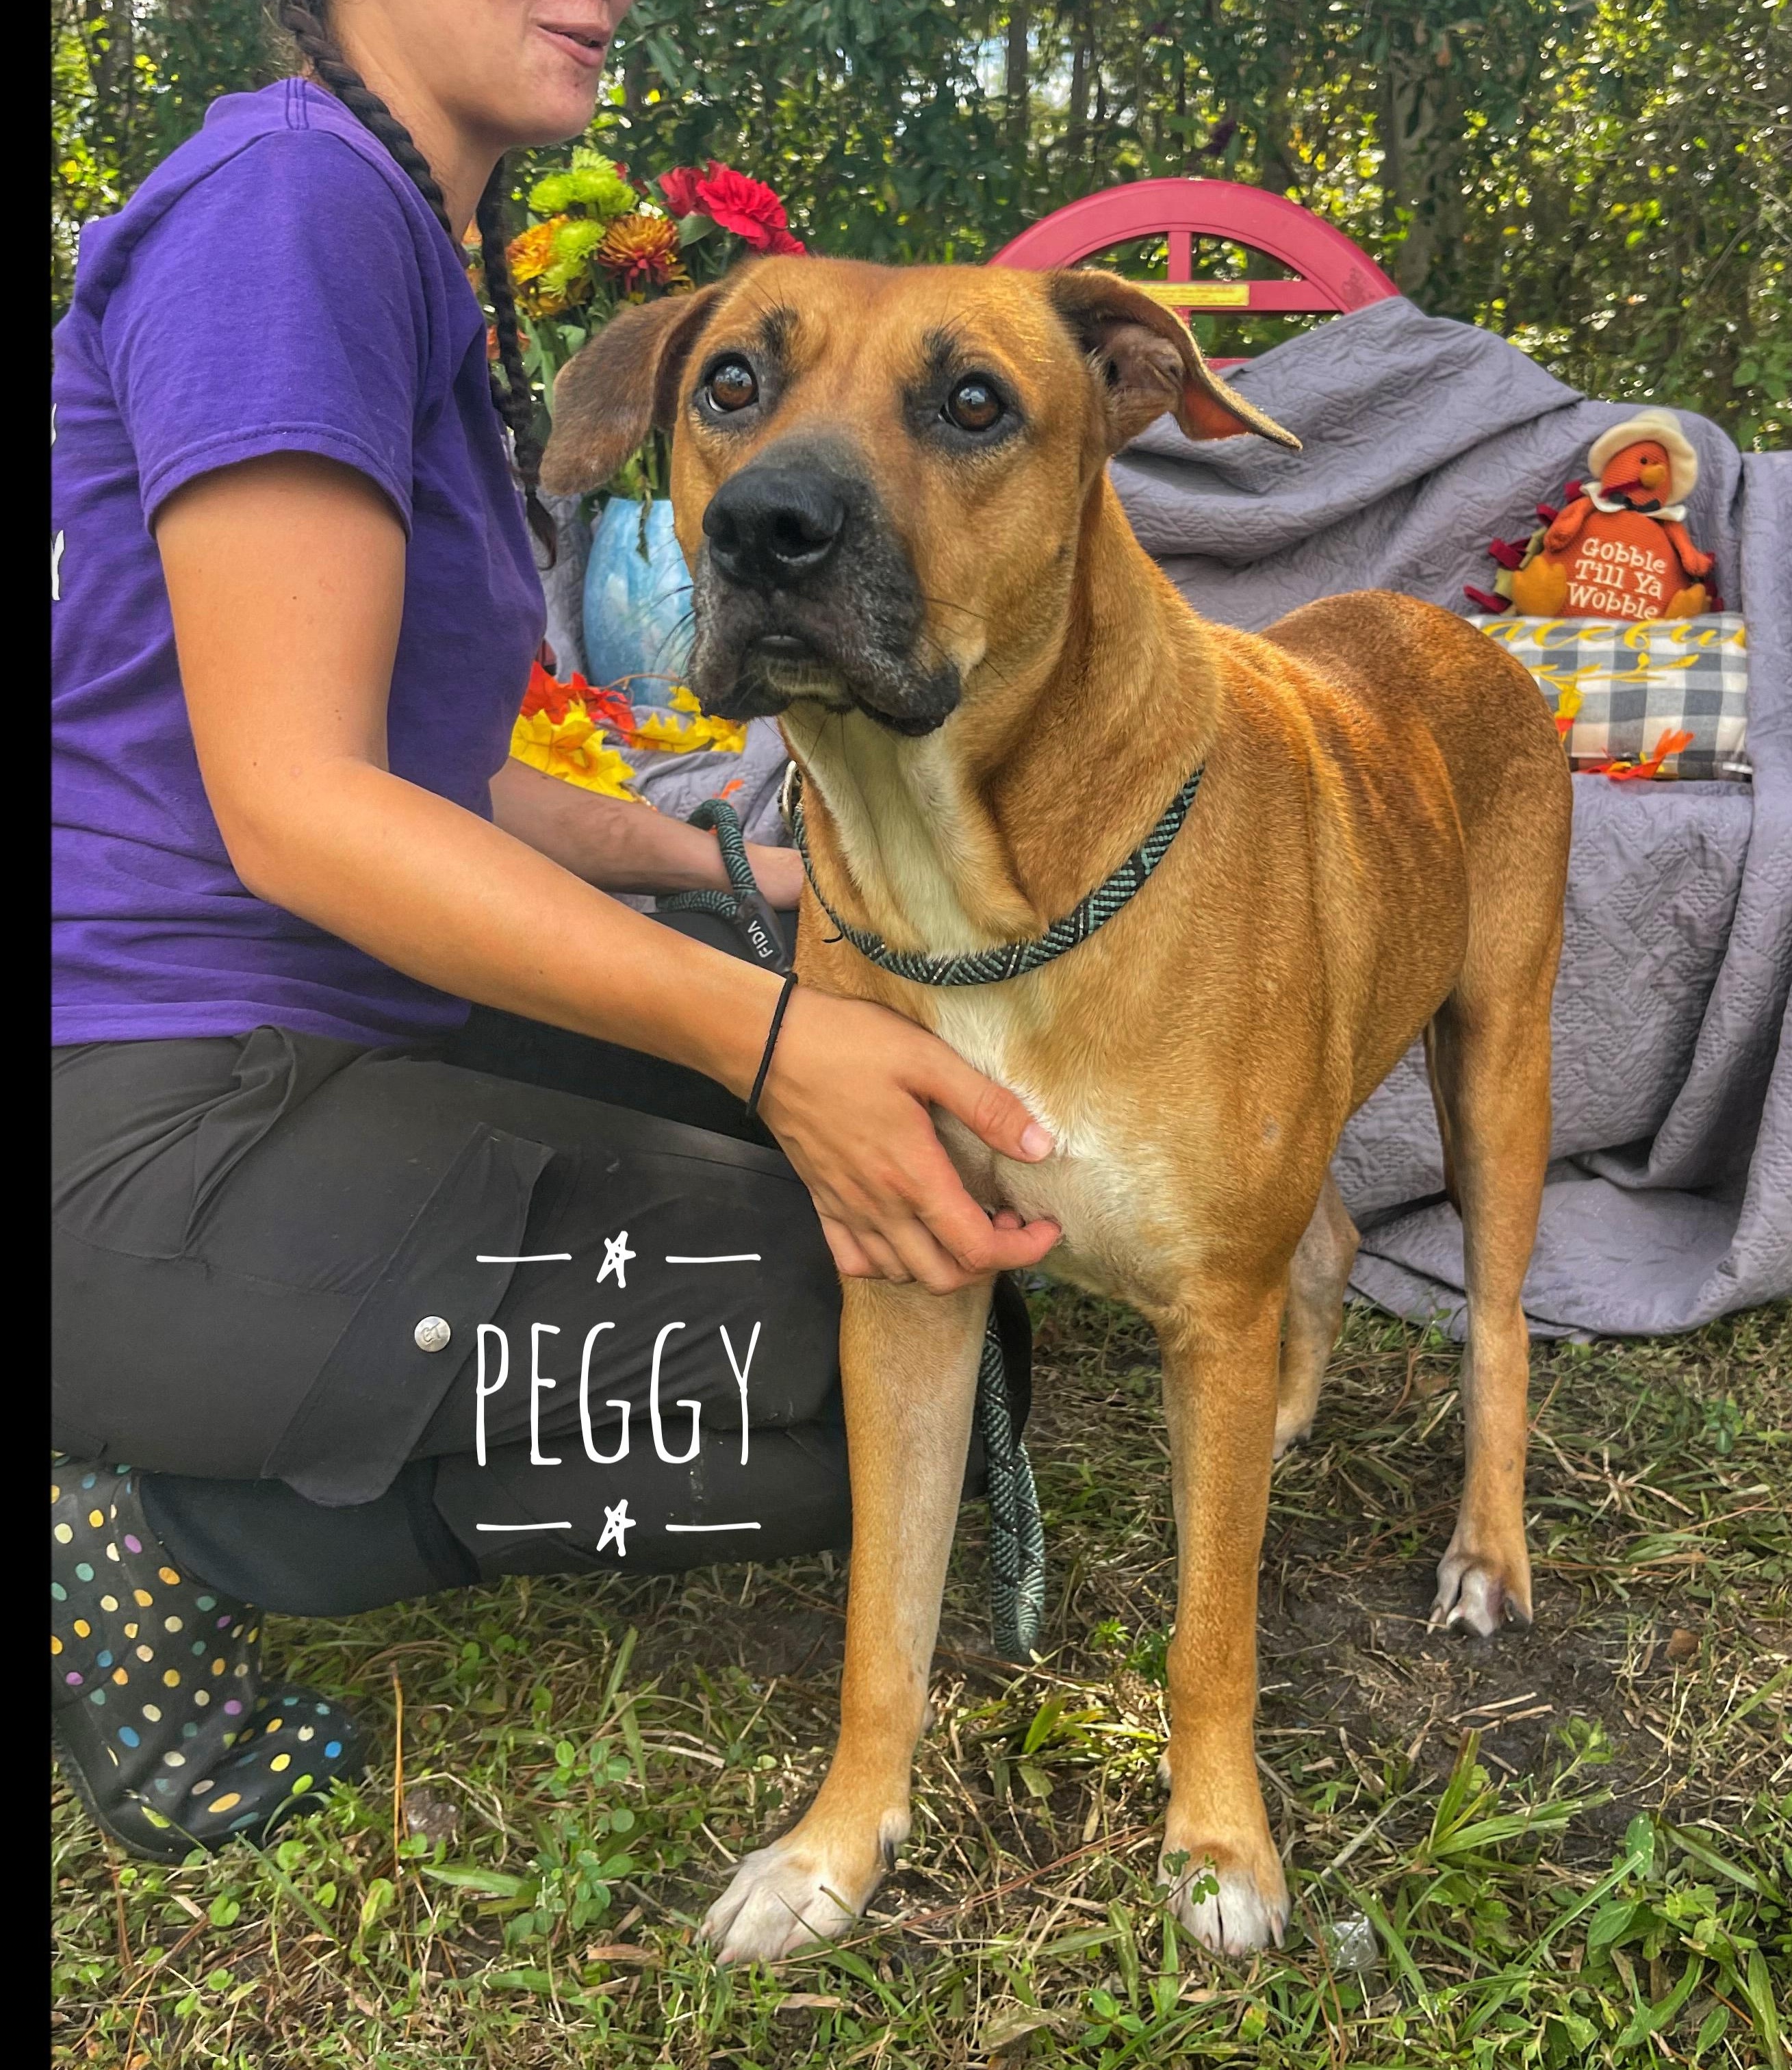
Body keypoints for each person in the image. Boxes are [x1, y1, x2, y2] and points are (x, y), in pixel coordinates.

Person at [51, 0, 1060, 1863]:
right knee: (873, 1385)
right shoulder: (291, 209)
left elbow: (417, 757)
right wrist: (767, 1041)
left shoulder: (396, 231)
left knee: (934, 1244)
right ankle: (160, 1533)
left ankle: (274, 1381)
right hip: (148, 1123)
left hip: (334, 1033)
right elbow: (297, 802)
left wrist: (720, 876)